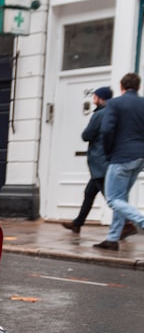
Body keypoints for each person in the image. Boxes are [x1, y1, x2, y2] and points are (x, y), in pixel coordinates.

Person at [94, 72, 144, 251]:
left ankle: (141, 221)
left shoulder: (115, 103)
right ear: (137, 87)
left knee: (113, 198)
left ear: (122, 86)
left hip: (121, 157)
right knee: (121, 197)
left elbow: (106, 130)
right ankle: (112, 238)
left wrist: (108, 152)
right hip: (139, 158)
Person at [62, 86, 113, 234]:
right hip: (103, 162)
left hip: (100, 162)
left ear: (101, 98)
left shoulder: (99, 114)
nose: (93, 99)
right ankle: (77, 223)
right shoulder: (111, 112)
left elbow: (87, 135)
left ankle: (127, 223)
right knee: (89, 193)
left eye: (95, 96)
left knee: (111, 198)